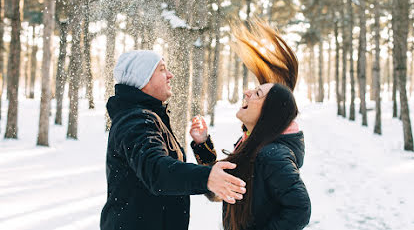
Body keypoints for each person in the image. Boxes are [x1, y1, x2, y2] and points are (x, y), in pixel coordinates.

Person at [100, 50, 246, 230]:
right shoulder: (135, 120)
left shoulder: (148, 117)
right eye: (162, 69)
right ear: (142, 79)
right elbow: (157, 170)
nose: (170, 75)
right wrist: (207, 177)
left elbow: (167, 170)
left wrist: (202, 146)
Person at [189, 20, 311, 230]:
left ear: (268, 112)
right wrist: (202, 144)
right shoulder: (251, 145)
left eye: (257, 94)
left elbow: (300, 209)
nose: (247, 93)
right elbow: (219, 190)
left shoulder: (272, 155)